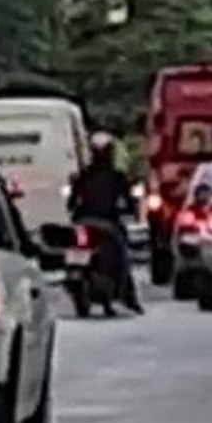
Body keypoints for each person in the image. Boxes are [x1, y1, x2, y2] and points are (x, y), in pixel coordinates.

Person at [67, 131, 144, 314]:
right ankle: (128, 297)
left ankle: (123, 296)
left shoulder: (84, 176)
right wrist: (130, 210)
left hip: (84, 222)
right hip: (106, 223)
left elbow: (71, 203)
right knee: (123, 256)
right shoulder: (116, 177)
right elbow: (128, 203)